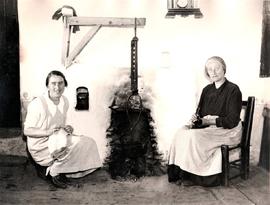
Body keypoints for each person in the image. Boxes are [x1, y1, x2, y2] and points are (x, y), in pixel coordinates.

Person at [167, 56, 242, 186]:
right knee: (181, 132)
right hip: (210, 128)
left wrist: (208, 122)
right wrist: (196, 119)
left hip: (228, 130)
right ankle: (182, 173)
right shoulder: (207, 90)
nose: (213, 72)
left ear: (224, 69)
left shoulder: (233, 89)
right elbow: (200, 113)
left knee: (194, 136)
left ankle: (199, 177)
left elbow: (232, 121)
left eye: (216, 68)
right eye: (209, 69)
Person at [24, 70, 102, 189]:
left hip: (56, 139)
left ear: (65, 85)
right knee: (75, 144)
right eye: (53, 83)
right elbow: (27, 131)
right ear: (47, 86)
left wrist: (67, 128)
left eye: (60, 83)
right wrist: (48, 132)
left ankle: (60, 169)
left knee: (87, 142)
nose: (57, 87)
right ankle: (53, 172)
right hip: (40, 144)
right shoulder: (38, 104)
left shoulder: (64, 101)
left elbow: (59, 124)